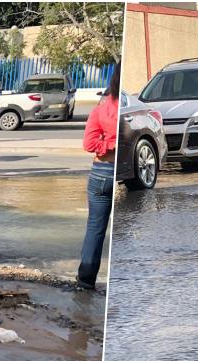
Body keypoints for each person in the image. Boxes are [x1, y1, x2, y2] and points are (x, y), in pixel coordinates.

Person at [77, 64, 119, 290]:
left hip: (101, 171)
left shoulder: (102, 109)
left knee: (95, 228)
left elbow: (89, 144)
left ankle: (85, 281)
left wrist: (108, 145)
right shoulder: (130, 106)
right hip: (121, 173)